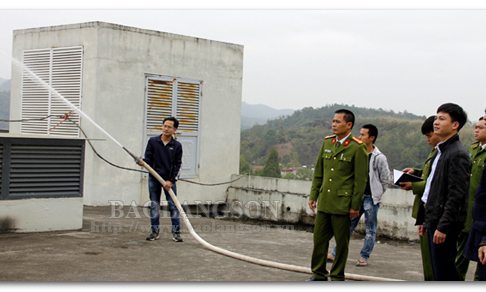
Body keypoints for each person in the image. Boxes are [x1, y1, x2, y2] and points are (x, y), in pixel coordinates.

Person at [307, 109, 368, 281]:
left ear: (349, 125)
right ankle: (318, 273)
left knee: (341, 244)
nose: (334, 124)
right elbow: (319, 172)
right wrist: (313, 195)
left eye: (338, 122)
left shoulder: (357, 147)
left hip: (343, 204)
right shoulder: (327, 143)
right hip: (325, 201)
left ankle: (337, 276)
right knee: (319, 240)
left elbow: (360, 180)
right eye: (333, 121)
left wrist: (355, 205)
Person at [415, 103, 471, 281]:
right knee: (439, 271)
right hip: (434, 219)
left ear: (455, 125)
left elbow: (456, 195)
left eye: (442, 119)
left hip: (444, 224)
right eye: (436, 118)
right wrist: (425, 218)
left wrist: (443, 226)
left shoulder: (457, 153)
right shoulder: (441, 151)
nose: (436, 122)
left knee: (445, 274)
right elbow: (433, 189)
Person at [328, 124, 390, 267]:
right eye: (359, 134)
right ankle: (334, 253)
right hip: (357, 197)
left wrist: (377, 193)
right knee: (348, 226)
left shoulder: (379, 158)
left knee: (370, 229)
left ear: (371, 138)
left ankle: (364, 257)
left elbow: (385, 179)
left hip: (371, 198)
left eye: (363, 135)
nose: (359, 137)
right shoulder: (357, 152)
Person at [399, 115, 439, 281]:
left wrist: (413, 185)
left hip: (435, 212)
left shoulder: (449, 153)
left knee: (435, 261)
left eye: (430, 136)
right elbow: (429, 176)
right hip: (425, 210)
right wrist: (415, 172)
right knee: (428, 259)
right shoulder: (436, 151)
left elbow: (437, 184)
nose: (428, 139)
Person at [138, 117, 184, 242]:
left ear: (175, 129)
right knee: (154, 205)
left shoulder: (177, 146)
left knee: (173, 206)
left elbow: (177, 165)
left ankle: (176, 233)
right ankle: (154, 232)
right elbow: (148, 158)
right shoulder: (153, 141)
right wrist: (142, 162)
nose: (166, 129)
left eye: (169, 127)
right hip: (154, 178)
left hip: (168, 181)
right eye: (164, 126)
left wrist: (171, 181)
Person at [456, 117, 486, 280]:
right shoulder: (474, 149)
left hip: (481, 212)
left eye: (481, 127)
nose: (476, 130)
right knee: (462, 252)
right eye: (476, 127)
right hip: (468, 209)